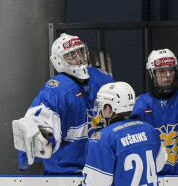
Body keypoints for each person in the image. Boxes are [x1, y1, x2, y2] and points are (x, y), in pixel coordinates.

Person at [13, 33, 114, 174]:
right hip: (66, 175)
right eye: (71, 55)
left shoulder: (103, 79)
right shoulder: (56, 90)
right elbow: (39, 125)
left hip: (103, 171)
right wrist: (35, 128)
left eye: (80, 52)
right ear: (58, 61)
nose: (79, 58)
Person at [132, 48, 178, 175]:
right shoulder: (139, 106)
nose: (167, 76)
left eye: (171, 70)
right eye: (161, 71)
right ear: (152, 74)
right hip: (154, 180)